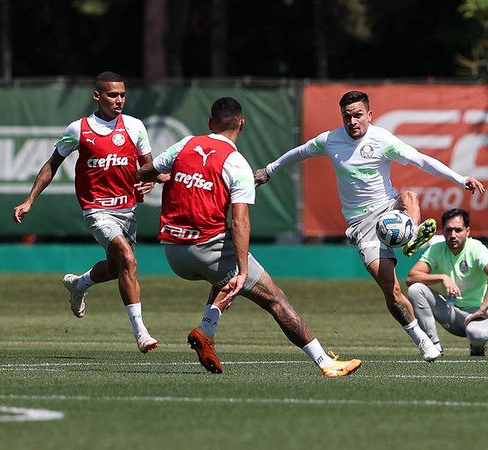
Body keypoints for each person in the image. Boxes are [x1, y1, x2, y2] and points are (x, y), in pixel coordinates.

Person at [137, 96, 361, 377]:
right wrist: (243, 272)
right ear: (241, 125)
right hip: (206, 249)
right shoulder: (236, 163)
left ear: (210, 123)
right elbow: (240, 221)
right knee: (275, 299)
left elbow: (146, 171)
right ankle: (327, 363)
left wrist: (160, 178)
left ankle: (206, 330)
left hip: (173, 251)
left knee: (223, 270)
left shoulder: (186, 144)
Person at [254, 90, 485, 362]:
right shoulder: (330, 140)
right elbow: (300, 152)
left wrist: (460, 179)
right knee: (391, 289)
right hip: (361, 225)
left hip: (388, 208)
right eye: (347, 116)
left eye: (358, 115)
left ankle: (411, 236)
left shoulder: (382, 139)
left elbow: (421, 159)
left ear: (369, 115)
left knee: (409, 196)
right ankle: (421, 339)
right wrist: (269, 170)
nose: (353, 121)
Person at [13, 71, 165, 354]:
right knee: (128, 260)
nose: (119, 100)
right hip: (97, 210)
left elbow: (148, 167)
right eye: (112, 95)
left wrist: (152, 180)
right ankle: (141, 332)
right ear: (97, 96)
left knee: (116, 268)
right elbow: (52, 164)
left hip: (128, 209)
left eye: (122, 95)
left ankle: (78, 284)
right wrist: (29, 200)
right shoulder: (78, 129)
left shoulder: (135, 126)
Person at [405, 208, 488, 357]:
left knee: (477, 335)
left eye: (458, 230)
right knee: (415, 289)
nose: (453, 235)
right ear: (443, 231)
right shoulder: (437, 249)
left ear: (467, 231)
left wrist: (482, 309)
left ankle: (477, 347)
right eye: (449, 230)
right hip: (452, 313)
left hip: (480, 315)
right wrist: (442, 277)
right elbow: (411, 277)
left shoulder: (476, 248)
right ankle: (434, 347)